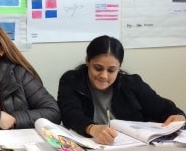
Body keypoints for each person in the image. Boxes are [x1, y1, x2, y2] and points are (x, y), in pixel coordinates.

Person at [58, 35, 186, 145]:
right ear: (87, 61)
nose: (104, 76)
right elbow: (69, 114)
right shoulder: (71, 81)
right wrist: (92, 128)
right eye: (98, 68)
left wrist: (179, 116)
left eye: (111, 70)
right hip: (90, 144)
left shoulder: (132, 83)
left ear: (119, 67)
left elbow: (165, 109)